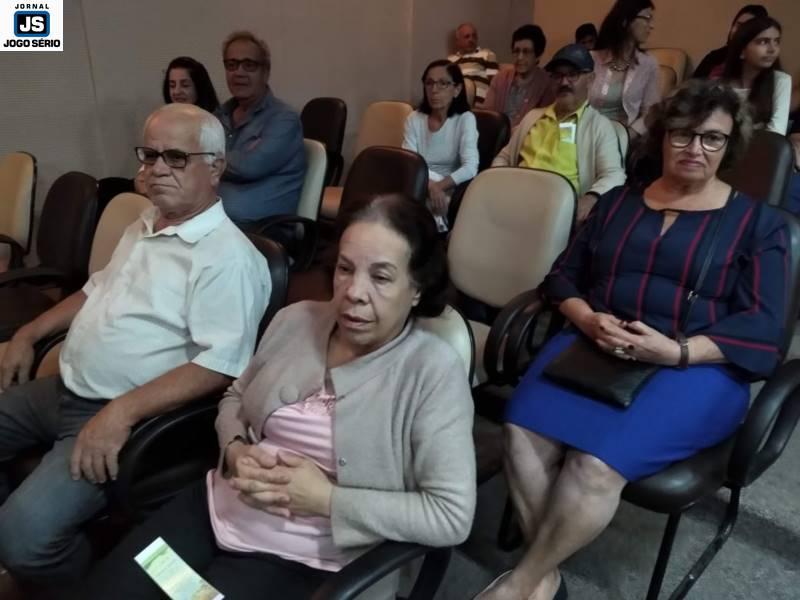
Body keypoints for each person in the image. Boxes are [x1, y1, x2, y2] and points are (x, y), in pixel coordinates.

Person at [71, 194, 477, 600]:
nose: (354, 291)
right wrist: (234, 449)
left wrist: (326, 499)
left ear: (417, 287)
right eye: (345, 269)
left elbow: (451, 516)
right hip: (213, 510)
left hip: (301, 559)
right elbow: (236, 395)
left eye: (382, 277)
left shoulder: (432, 371)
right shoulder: (296, 320)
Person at [479, 80, 788, 600]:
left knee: (594, 467)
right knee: (520, 432)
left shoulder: (760, 225)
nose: (695, 148)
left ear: (729, 145)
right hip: (594, 345)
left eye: (712, 138)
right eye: (683, 133)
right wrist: (586, 318)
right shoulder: (619, 202)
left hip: (694, 367)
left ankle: (521, 584)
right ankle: (544, 575)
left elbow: (764, 327)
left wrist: (676, 351)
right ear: (663, 135)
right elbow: (562, 277)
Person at [0, 103, 270, 586]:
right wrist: (29, 332)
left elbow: (220, 366)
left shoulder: (228, 259)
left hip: (124, 414)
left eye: (176, 157)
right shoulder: (145, 222)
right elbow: (95, 289)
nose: (157, 169)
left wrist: (121, 412)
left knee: (22, 537)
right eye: (150, 155)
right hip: (65, 386)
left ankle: (80, 580)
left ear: (215, 167)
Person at [492, 44, 626, 222]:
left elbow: (614, 175)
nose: (563, 82)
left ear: (590, 78)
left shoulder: (599, 126)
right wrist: (497, 183)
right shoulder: (532, 117)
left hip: (558, 214)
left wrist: (591, 197)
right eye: (557, 75)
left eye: (572, 74)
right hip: (514, 202)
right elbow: (504, 157)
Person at [216, 30, 306, 226]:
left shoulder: (284, 119)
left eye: (249, 65)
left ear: (266, 72)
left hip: (262, 231)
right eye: (232, 65)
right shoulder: (219, 115)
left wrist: (205, 157)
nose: (239, 72)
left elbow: (249, 167)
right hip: (216, 223)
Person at [403, 60, 479, 231]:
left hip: (449, 188)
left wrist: (439, 187)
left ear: (457, 89)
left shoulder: (465, 119)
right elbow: (410, 164)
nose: (434, 90)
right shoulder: (414, 118)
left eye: (443, 83)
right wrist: (431, 186)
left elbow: (470, 167)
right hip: (419, 184)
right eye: (429, 83)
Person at [589, 0, 660, 135]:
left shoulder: (648, 64)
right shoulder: (592, 59)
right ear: (625, 20)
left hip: (625, 136)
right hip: (588, 133)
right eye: (647, 18)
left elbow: (651, 111)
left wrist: (628, 136)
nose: (651, 26)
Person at [721, 16, 791, 134]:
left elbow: (776, 131)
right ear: (742, 50)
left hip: (765, 144)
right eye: (763, 42)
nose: (772, 49)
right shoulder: (721, 87)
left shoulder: (781, 80)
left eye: (776, 42)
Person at [483, 25, 555, 128]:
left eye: (526, 52)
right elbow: (487, 114)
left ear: (537, 55)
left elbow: (543, 124)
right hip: (496, 133)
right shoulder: (500, 78)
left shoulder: (547, 84)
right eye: (516, 51)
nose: (520, 57)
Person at [693, 4, 768, 79]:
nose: (741, 31)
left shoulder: (762, 65)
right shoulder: (714, 57)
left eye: (748, 27)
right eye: (739, 25)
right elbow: (691, 84)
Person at [448, 22, 499, 107]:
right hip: (455, 101)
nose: (471, 40)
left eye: (474, 36)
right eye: (467, 36)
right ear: (458, 41)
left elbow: (495, 83)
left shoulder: (487, 54)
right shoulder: (450, 60)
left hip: (477, 104)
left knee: (467, 84)